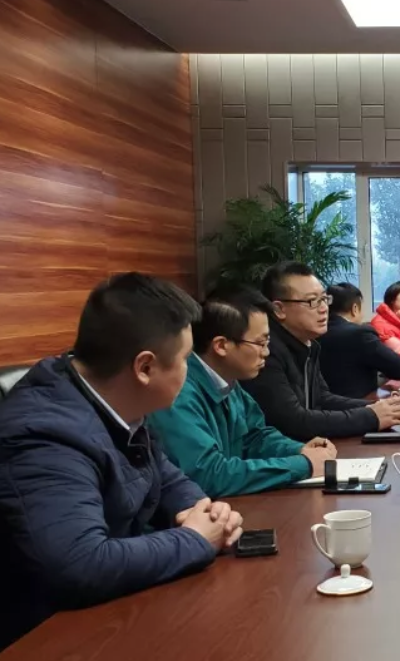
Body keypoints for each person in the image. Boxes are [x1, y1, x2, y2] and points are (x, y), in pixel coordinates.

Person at [0, 274, 242, 648]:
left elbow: (166, 477)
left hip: (115, 608)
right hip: (49, 636)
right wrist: (195, 539)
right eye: (185, 359)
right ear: (144, 368)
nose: (191, 369)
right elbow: (80, 564)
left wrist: (202, 511)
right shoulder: (44, 434)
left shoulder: (116, 401)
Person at [148, 287, 338, 497]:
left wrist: (298, 450)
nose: (266, 352)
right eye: (261, 343)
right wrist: (303, 464)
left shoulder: (228, 380)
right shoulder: (177, 393)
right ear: (221, 345)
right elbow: (208, 474)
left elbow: (255, 437)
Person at [242, 262, 400, 441]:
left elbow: (321, 398)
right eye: (312, 301)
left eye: (324, 299)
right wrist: (370, 416)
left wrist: (376, 406)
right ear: (278, 309)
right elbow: (293, 421)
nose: (323, 309)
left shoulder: (309, 344)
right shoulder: (266, 351)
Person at [320, 283, 400, 398]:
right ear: (355, 309)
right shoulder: (359, 334)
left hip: (321, 404)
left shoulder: (314, 332)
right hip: (359, 404)